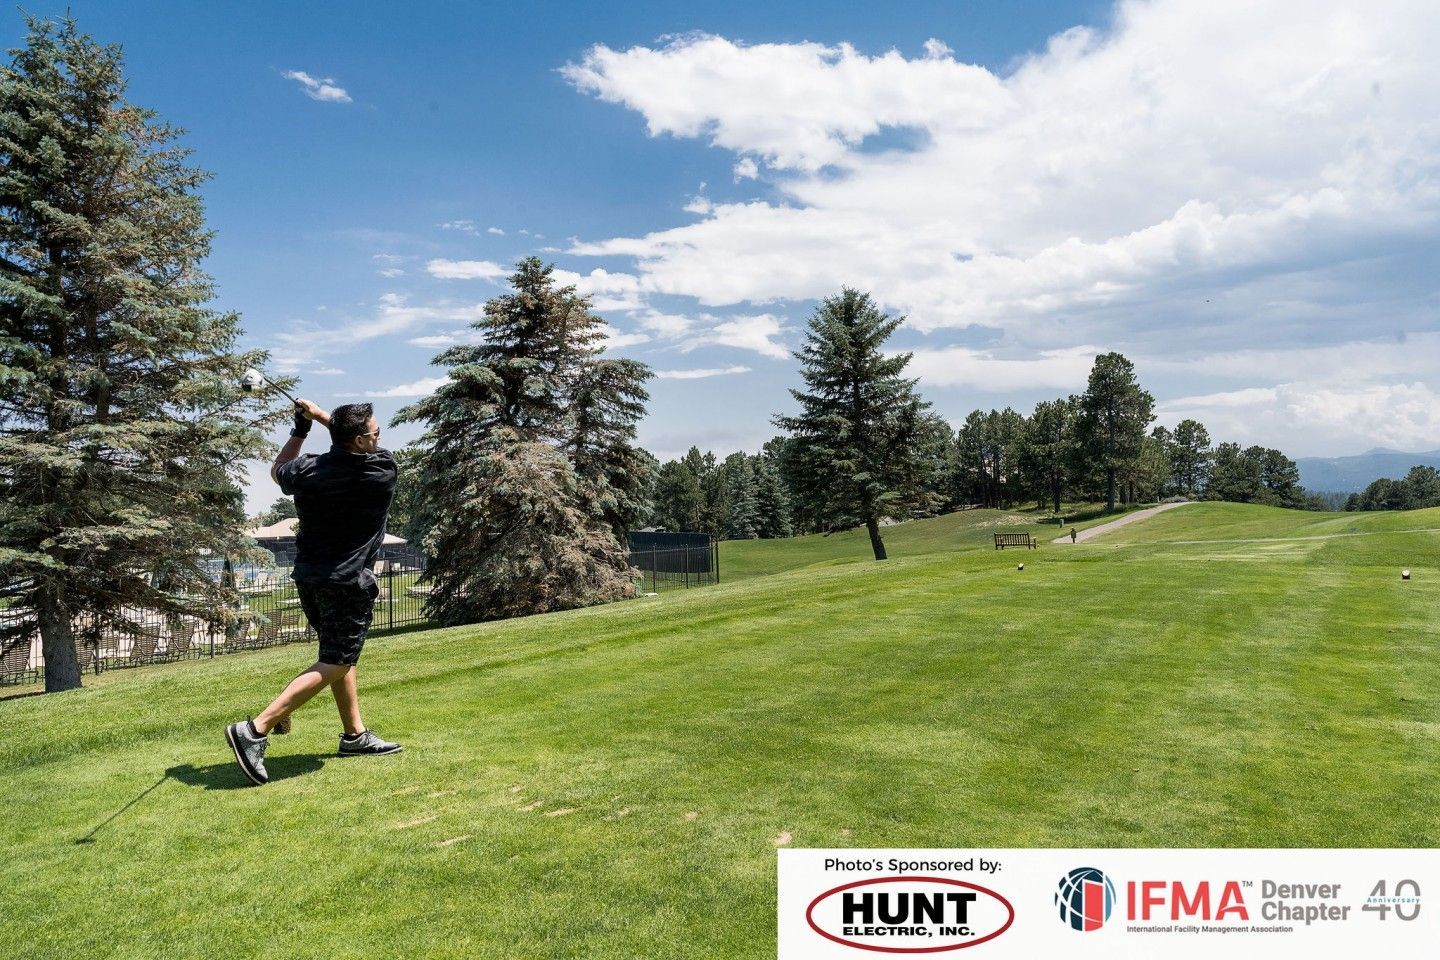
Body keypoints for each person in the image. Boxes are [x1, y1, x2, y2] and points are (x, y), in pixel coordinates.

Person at [224, 400, 401, 786]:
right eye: (374, 432)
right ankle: (255, 729)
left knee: (339, 654)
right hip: (347, 581)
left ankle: (354, 735)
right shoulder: (379, 469)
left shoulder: (308, 470)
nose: (379, 436)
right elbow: (355, 444)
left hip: (309, 577)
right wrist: (320, 417)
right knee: (337, 660)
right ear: (359, 441)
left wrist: (300, 428)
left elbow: (277, 471)